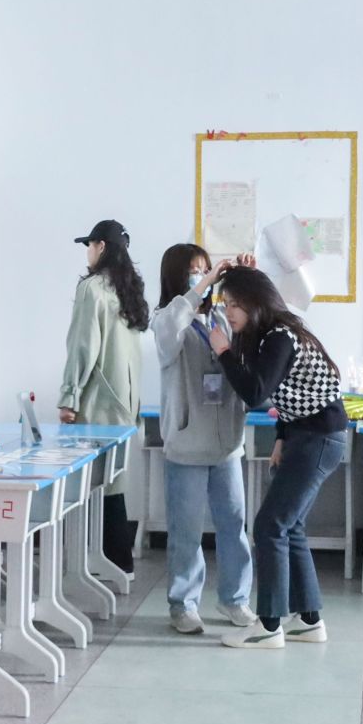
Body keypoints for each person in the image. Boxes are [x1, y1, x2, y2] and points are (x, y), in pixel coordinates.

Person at [209, 265, 345, 650]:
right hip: (311, 436)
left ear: (256, 303)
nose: (229, 312)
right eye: (226, 304)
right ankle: (309, 620)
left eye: (235, 304)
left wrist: (223, 352)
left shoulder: (279, 337)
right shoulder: (276, 334)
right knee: (290, 526)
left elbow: (256, 392)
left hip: (318, 438)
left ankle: (268, 626)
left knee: (269, 526)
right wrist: (283, 438)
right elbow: (289, 393)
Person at [152, 244, 256, 634]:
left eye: (207, 269)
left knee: (234, 525)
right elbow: (170, 328)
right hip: (186, 446)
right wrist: (203, 286)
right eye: (195, 270)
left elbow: (256, 329)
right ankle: (183, 604)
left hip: (226, 444)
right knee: (186, 531)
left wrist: (247, 280)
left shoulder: (222, 317)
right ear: (177, 277)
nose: (203, 275)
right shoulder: (167, 320)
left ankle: (235, 599)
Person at [58, 218, 148, 574]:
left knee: (91, 486)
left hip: (98, 399)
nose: (88, 253)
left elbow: (83, 346)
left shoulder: (92, 288)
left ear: (102, 247)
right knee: (113, 484)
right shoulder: (128, 290)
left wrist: (70, 397)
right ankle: (119, 565)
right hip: (126, 400)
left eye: (90, 245)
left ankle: (101, 565)